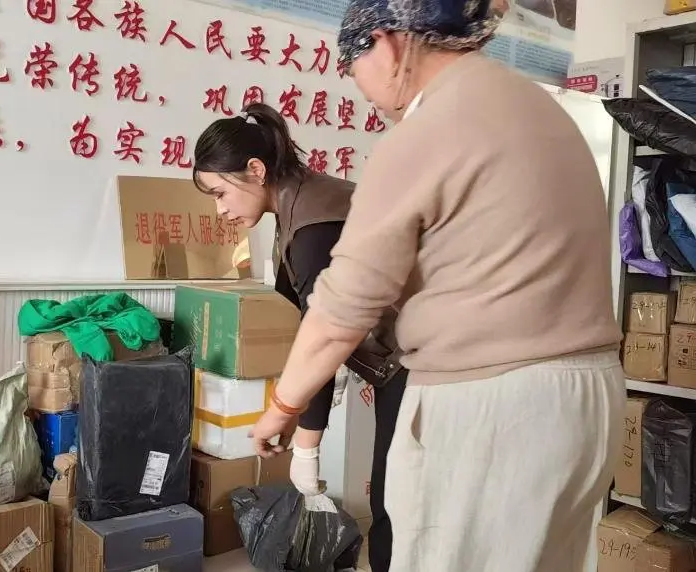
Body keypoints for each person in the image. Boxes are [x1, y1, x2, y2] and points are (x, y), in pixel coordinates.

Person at [248, 0, 626, 570]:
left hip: (493, 407)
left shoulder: (426, 133)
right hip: (588, 396)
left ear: (386, 44)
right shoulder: (538, 108)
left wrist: (283, 407)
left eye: (352, 69)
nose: (362, 92)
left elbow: (341, 310)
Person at [192, 102, 406, 571]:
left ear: (255, 170)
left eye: (220, 193)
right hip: (397, 361)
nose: (220, 209)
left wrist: (305, 442)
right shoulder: (297, 203)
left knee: (397, 501)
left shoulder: (313, 224)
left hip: (418, 363)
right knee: (393, 494)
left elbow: (326, 334)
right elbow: (304, 324)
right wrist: (293, 404)